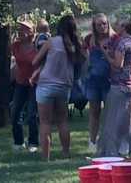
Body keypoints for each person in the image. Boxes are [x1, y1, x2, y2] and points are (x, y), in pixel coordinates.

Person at [32, 14, 85, 160]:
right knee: (62, 120)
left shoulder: (52, 41)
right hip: (64, 87)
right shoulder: (75, 45)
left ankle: (46, 157)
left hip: (46, 85)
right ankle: (66, 153)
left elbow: (35, 61)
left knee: (45, 122)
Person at [98, 16, 131, 158]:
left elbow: (118, 65)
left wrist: (105, 52)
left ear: (124, 27)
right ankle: (127, 151)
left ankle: (111, 154)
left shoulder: (122, 43)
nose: (115, 26)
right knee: (130, 123)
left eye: (118, 24)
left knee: (113, 122)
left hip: (121, 87)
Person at [83, 13, 115, 152]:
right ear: (94, 27)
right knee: (94, 112)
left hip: (109, 81)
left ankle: (108, 141)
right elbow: (83, 54)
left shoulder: (114, 39)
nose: (102, 27)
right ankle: (92, 142)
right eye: (99, 25)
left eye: (104, 23)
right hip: (93, 80)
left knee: (110, 113)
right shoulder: (90, 39)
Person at [10, 18, 39, 152]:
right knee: (15, 112)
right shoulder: (15, 46)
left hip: (35, 83)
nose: (21, 31)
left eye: (24, 29)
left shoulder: (37, 46)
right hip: (20, 82)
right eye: (20, 29)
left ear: (32, 31)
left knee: (32, 114)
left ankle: (33, 142)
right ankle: (18, 142)